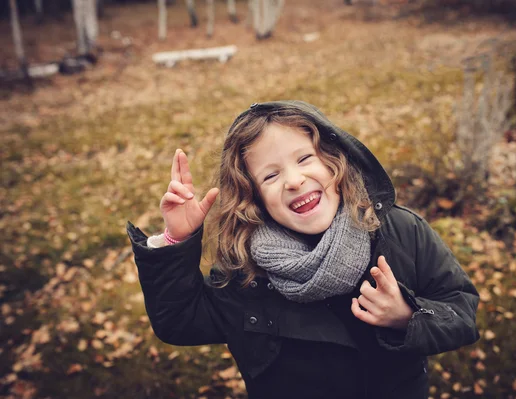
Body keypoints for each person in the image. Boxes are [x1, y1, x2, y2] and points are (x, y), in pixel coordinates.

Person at [126, 100, 480, 399]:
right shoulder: (243, 268)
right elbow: (179, 321)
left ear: (333, 161)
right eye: (270, 175)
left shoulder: (400, 233)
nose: (294, 181)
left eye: (304, 159)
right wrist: (176, 241)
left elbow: (461, 311)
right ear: (254, 197)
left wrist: (408, 317)